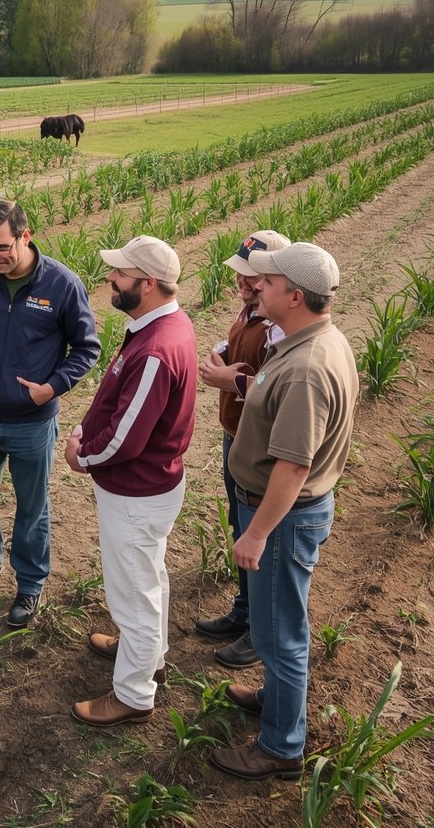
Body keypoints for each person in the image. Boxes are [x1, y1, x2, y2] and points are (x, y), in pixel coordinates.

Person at [210, 242, 358, 781]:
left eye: (267, 283)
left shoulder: (307, 368)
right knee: (281, 623)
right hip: (287, 514)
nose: (257, 288)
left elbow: (292, 468)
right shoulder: (312, 341)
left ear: (294, 296)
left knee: (279, 634)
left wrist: (256, 536)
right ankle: (275, 699)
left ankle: (280, 746)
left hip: (282, 517)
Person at [0, 200, 100, 627]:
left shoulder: (62, 284)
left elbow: (87, 348)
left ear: (24, 236)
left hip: (33, 421)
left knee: (32, 508)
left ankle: (29, 584)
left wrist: (51, 388)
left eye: (1, 248)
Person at [65, 235, 197, 727]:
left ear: (147, 283)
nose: (110, 280)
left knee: (133, 591)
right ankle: (148, 651)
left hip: (136, 493)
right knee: (149, 578)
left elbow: (126, 438)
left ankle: (134, 694)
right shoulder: (160, 326)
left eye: (119, 274)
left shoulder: (157, 348)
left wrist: (83, 456)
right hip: (149, 489)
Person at [195, 230, 290, 671]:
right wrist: (221, 353)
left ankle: (258, 633)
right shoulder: (252, 309)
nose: (243, 283)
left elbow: (277, 394)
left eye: (253, 278)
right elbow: (241, 346)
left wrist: (227, 381)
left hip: (262, 449)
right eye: (241, 274)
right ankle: (244, 610)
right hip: (235, 435)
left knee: (259, 536)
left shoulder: (281, 327)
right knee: (239, 521)